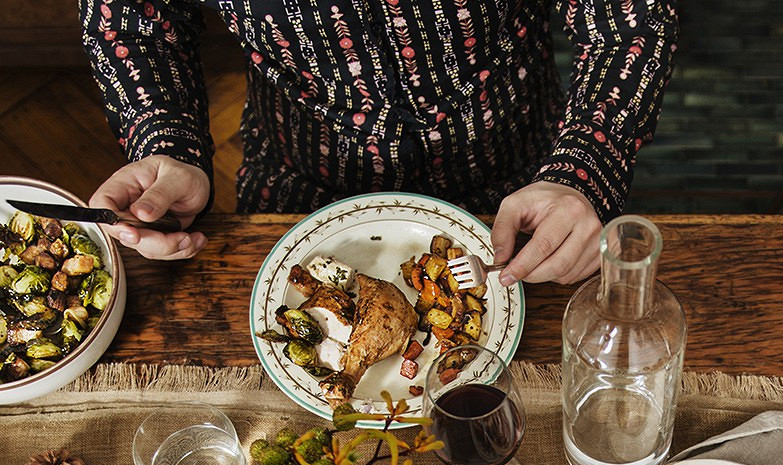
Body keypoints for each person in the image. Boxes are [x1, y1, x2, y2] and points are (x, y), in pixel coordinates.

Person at [78, 0, 679, 284]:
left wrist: (585, 167)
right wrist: (168, 140)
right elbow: (132, 19)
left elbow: (633, 21)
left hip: (524, 190)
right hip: (298, 186)